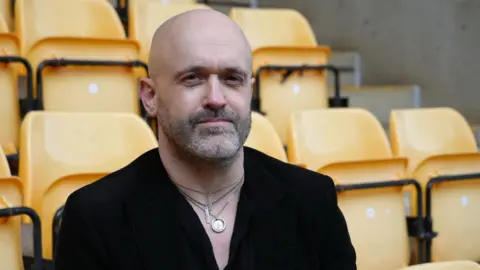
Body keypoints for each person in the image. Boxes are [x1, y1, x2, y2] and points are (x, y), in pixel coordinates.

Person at [54, 9, 356, 270]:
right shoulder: (95, 218)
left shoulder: (313, 199)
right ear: (150, 96)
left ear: (250, 91)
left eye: (232, 79)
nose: (215, 99)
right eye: (192, 78)